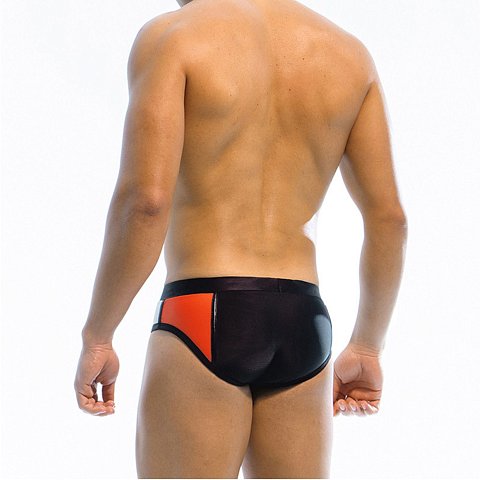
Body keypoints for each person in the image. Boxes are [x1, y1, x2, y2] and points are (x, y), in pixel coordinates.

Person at [74, 0, 408, 477]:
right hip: (304, 321)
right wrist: (368, 346)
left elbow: (145, 203)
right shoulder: (349, 55)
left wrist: (99, 334)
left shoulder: (174, 37)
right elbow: (390, 220)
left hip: (202, 310)